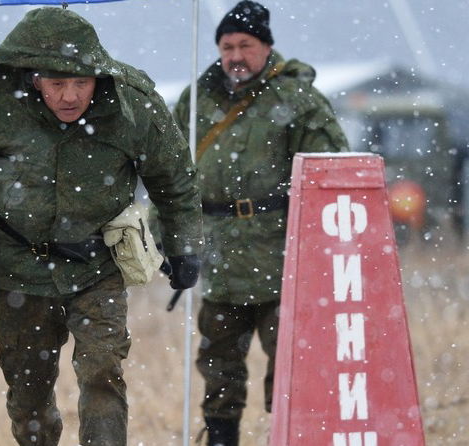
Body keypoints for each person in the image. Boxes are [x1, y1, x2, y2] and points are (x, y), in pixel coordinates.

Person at [0, 8, 202, 446]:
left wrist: (184, 244)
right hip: (19, 269)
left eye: (82, 82)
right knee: (29, 392)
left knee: (102, 371)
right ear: (33, 78)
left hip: (98, 264)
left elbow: (174, 181)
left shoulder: (134, 105)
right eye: (57, 83)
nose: (71, 96)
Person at [172, 2, 349, 444]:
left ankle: (291, 436)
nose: (235, 55)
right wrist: (172, 241)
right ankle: (219, 437)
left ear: (267, 47)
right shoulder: (197, 99)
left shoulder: (298, 100)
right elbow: (168, 177)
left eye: (245, 45)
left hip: (284, 256)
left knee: (291, 363)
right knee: (217, 365)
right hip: (216, 254)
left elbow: (331, 174)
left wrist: (324, 249)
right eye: (227, 45)